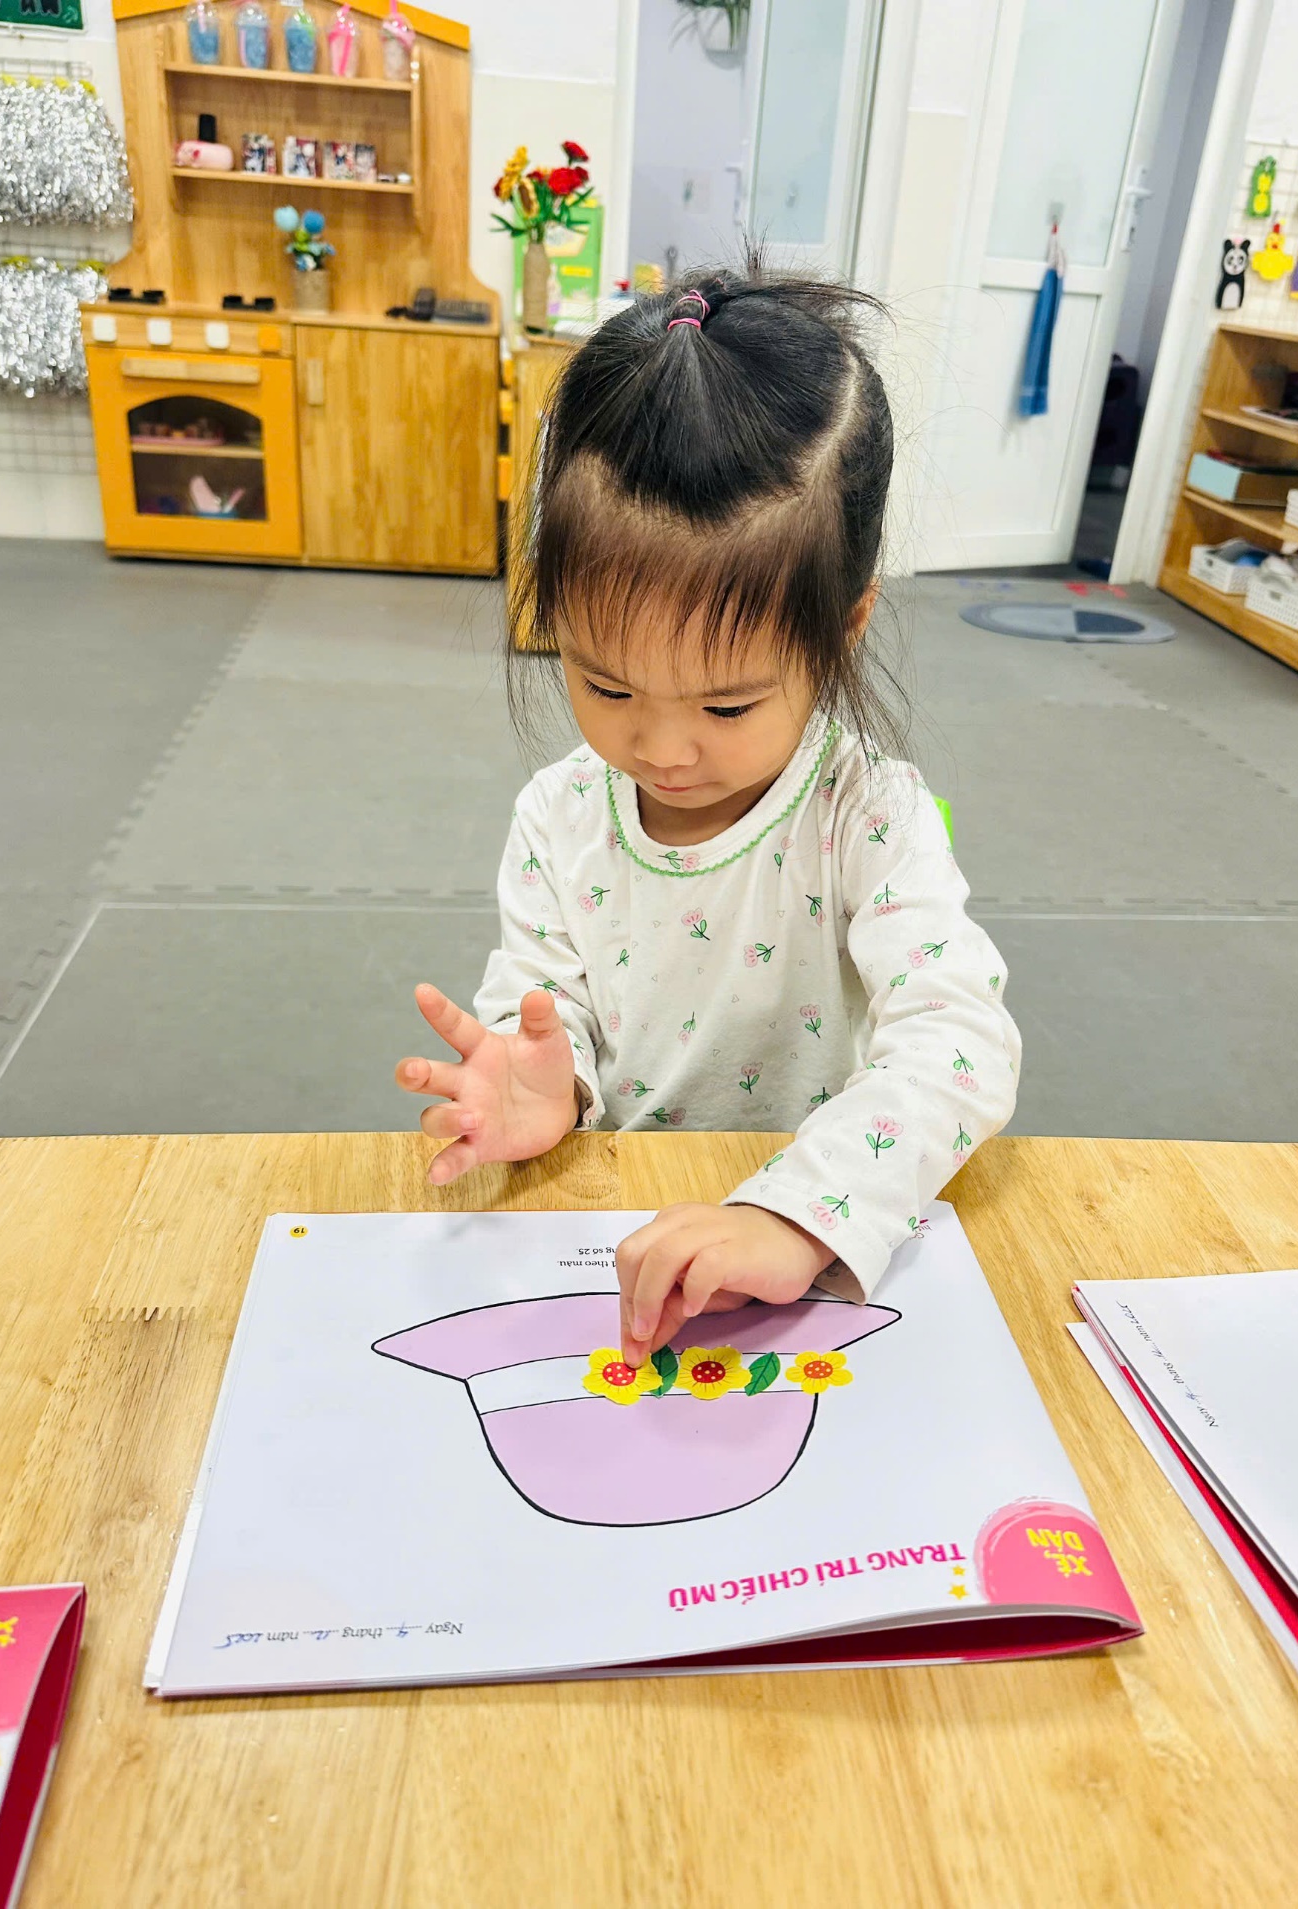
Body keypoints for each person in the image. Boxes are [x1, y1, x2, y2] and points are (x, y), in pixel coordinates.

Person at [396, 263, 1020, 1374]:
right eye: (606, 685)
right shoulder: (559, 814)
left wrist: (795, 1215)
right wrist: (546, 1080)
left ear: (842, 628)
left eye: (727, 705)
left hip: (807, 1229)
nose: (663, 749)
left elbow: (960, 1043)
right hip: (620, 1224)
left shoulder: (868, 817)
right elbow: (542, 1008)